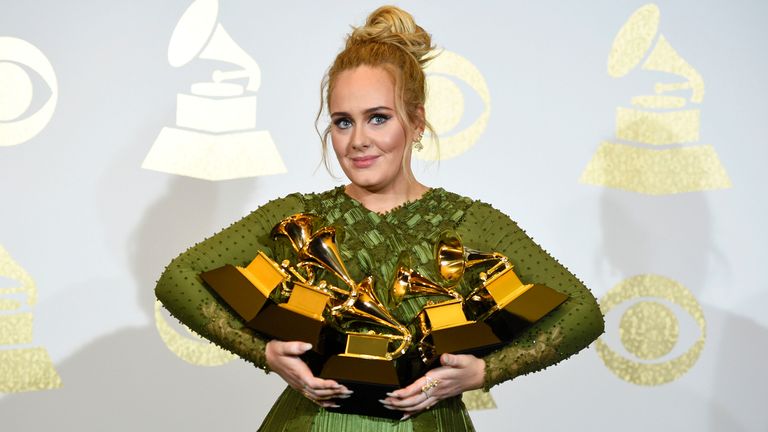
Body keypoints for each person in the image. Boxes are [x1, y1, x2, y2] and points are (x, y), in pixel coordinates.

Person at [155, 5, 604, 431]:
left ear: (417, 121)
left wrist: (484, 372)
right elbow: (178, 279)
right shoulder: (297, 215)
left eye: (378, 118)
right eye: (343, 122)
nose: (358, 141)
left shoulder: (471, 222)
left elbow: (582, 312)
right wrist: (266, 353)